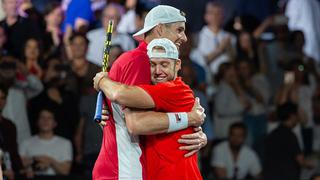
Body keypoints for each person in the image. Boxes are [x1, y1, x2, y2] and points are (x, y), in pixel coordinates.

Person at [92, 5, 207, 179]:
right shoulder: (140, 61)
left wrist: (193, 130)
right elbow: (135, 122)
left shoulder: (150, 64)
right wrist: (189, 118)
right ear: (160, 29)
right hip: (126, 171)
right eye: (179, 30)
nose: (184, 37)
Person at [264, 102, 313, 180]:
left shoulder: (271, 135)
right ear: (292, 116)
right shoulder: (290, 136)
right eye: (297, 115)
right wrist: (312, 164)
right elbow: (301, 161)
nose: (298, 118)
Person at [19, 108, 73, 178]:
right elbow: (19, 168)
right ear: (37, 122)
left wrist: (50, 161)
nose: (45, 121)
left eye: (49, 118)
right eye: (42, 117)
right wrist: (35, 160)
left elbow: (65, 171)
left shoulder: (65, 143)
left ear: (55, 123)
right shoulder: (25, 143)